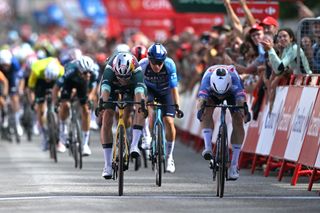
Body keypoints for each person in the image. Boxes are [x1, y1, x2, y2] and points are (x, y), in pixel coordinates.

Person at [99, 52, 147, 179]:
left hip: (133, 87)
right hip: (112, 86)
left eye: (126, 77)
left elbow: (139, 92)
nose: (123, 80)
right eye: (120, 76)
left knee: (140, 107)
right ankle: (107, 165)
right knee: (107, 116)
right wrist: (102, 104)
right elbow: (105, 91)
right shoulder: (109, 70)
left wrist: (141, 106)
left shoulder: (136, 70)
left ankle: (134, 145)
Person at [196, 65, 247, 180]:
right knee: (206, 111)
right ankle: (208, 147)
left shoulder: (234, 80)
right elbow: (200, 101)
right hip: (212, 93)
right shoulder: (207, 80)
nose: (221, 97)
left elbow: (241, 102)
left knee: (238, 119)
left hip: (231, 93)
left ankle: (234, 165)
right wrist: (200, 111)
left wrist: (244, 113)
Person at [139, 43, 183, 173]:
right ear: (149, 60)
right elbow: (139, 88)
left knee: (169, 121)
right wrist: (141, 104)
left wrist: (177, 106)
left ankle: (169, 157)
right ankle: (147, 135)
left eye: (160, 62)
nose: (157, 66)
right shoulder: (142, 65)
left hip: (165, 92)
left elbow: (174, 89)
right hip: (150, 90)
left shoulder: (170, 65)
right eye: (154, 62)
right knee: (147, 109)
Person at [52, 55, 98, 156]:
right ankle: (62, 134)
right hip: (69, 84)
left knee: (86, 110)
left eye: (89, 73)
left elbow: (94, 88)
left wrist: (90, 98)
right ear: (79, 70)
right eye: (85, 73)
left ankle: (85, 144)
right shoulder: (70, 71)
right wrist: (55, 103)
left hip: (83, 85)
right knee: (65, 106)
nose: (88, 75)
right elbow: (56, 88)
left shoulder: (92, 72)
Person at [27, 57, 65, 151]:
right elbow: (30, 89)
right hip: (40, 82)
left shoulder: (61, 71)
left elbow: (63, 88)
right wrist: (32, 102)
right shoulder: (36, 70)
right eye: (48, 79)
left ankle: (59, 139)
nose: (48, 81)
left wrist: (59, 100)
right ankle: (44, 137)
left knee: (59, 104)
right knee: (40, 109)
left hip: (55, 81)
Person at [0, 49, 24, 136]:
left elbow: (21, 78)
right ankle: (4, 113)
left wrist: (20, 89)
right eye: (4, 65)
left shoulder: (14, 63)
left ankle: (17, 123)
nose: (6, 67)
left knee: (15, 98)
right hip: (1, 77)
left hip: (12, 77)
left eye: (8, 65)